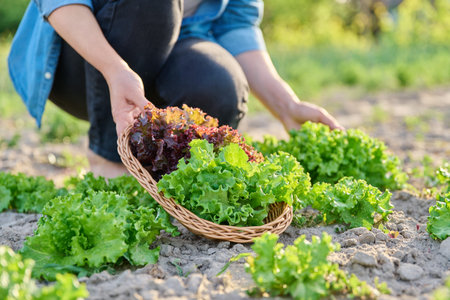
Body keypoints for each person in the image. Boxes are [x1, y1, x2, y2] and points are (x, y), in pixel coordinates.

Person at [8, 0, 343, 178]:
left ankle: (157, 168)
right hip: (84, 65)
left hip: (168, 56)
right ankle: (108, 158)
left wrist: (287, 105)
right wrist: (115, 70)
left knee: (218, 87)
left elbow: (236, 24)